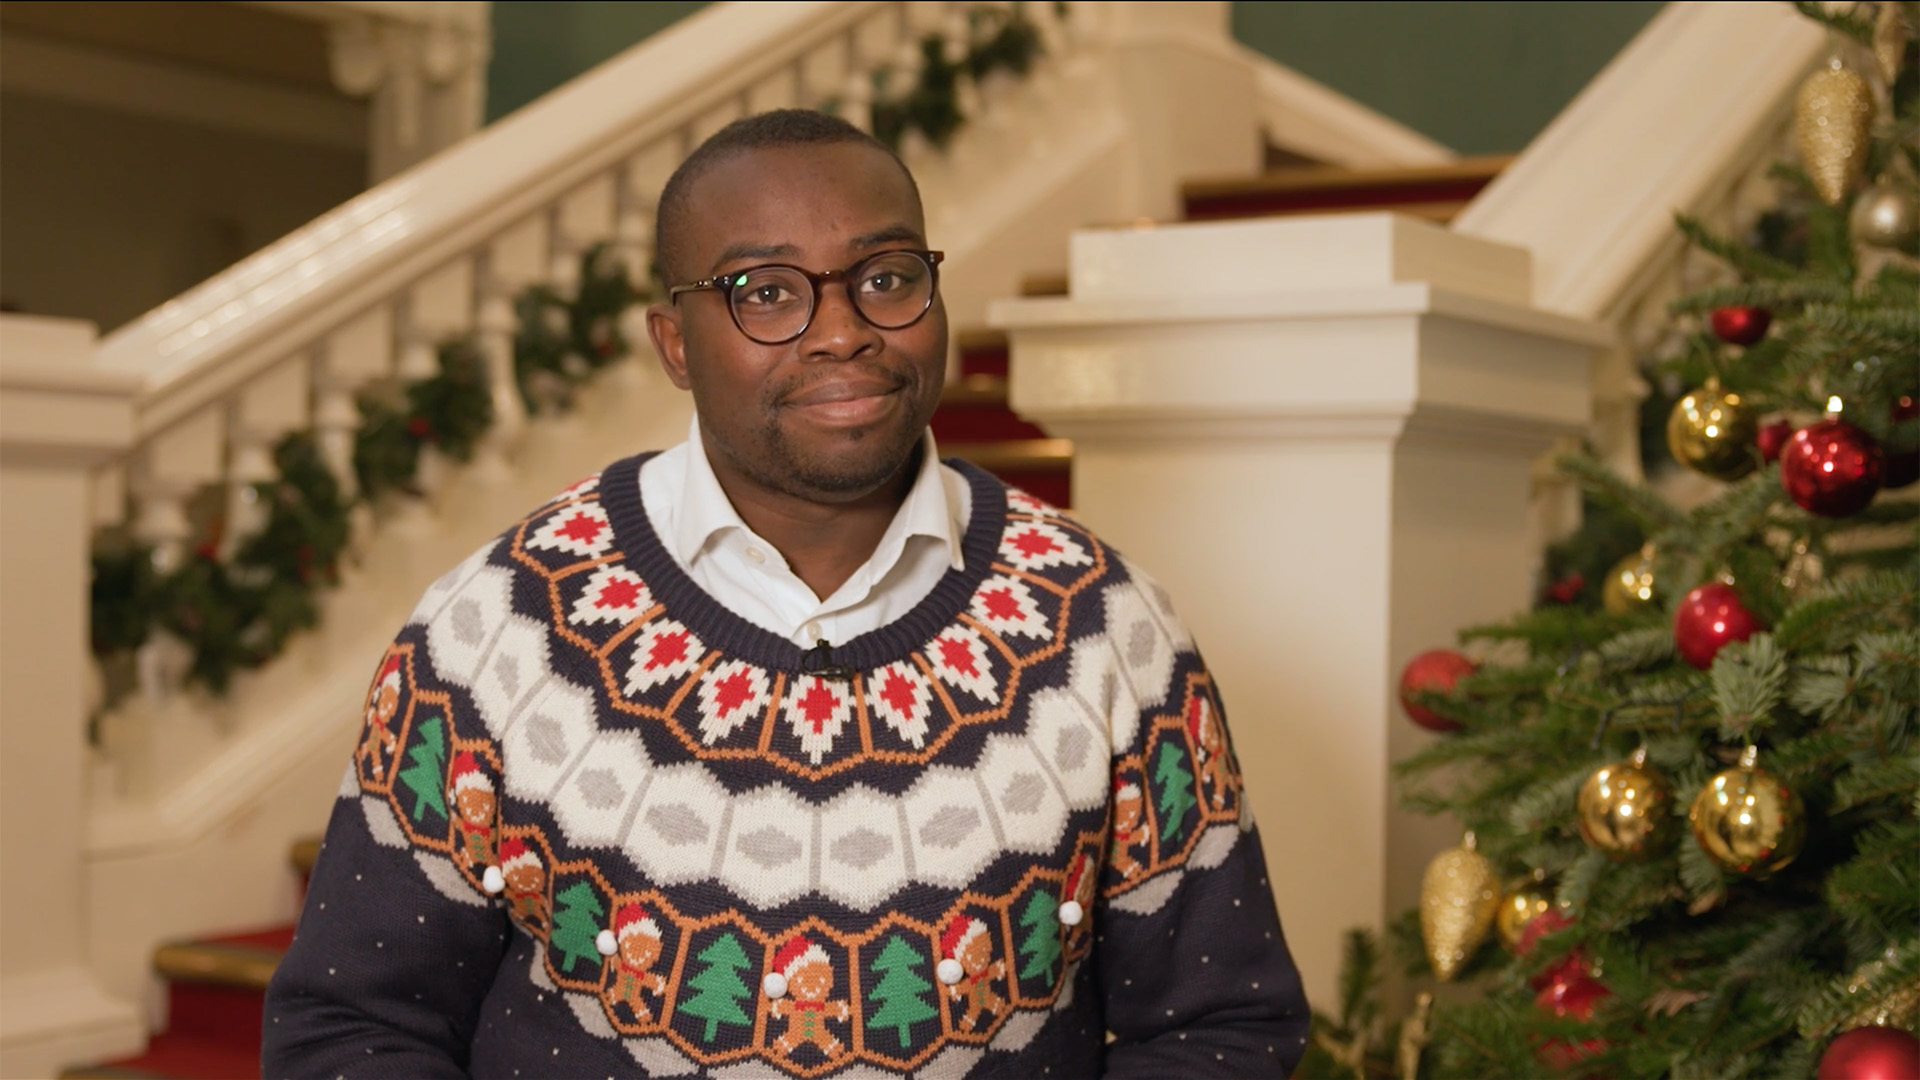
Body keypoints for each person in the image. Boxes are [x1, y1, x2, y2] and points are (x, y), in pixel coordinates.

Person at [263, 108, 1309, 1079]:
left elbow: (1221, 1024)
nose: (843, 329)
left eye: (887, 277)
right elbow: (352, 1024)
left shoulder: (1101, 624)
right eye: (766, 291)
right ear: (675, 344)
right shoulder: (502, 625)